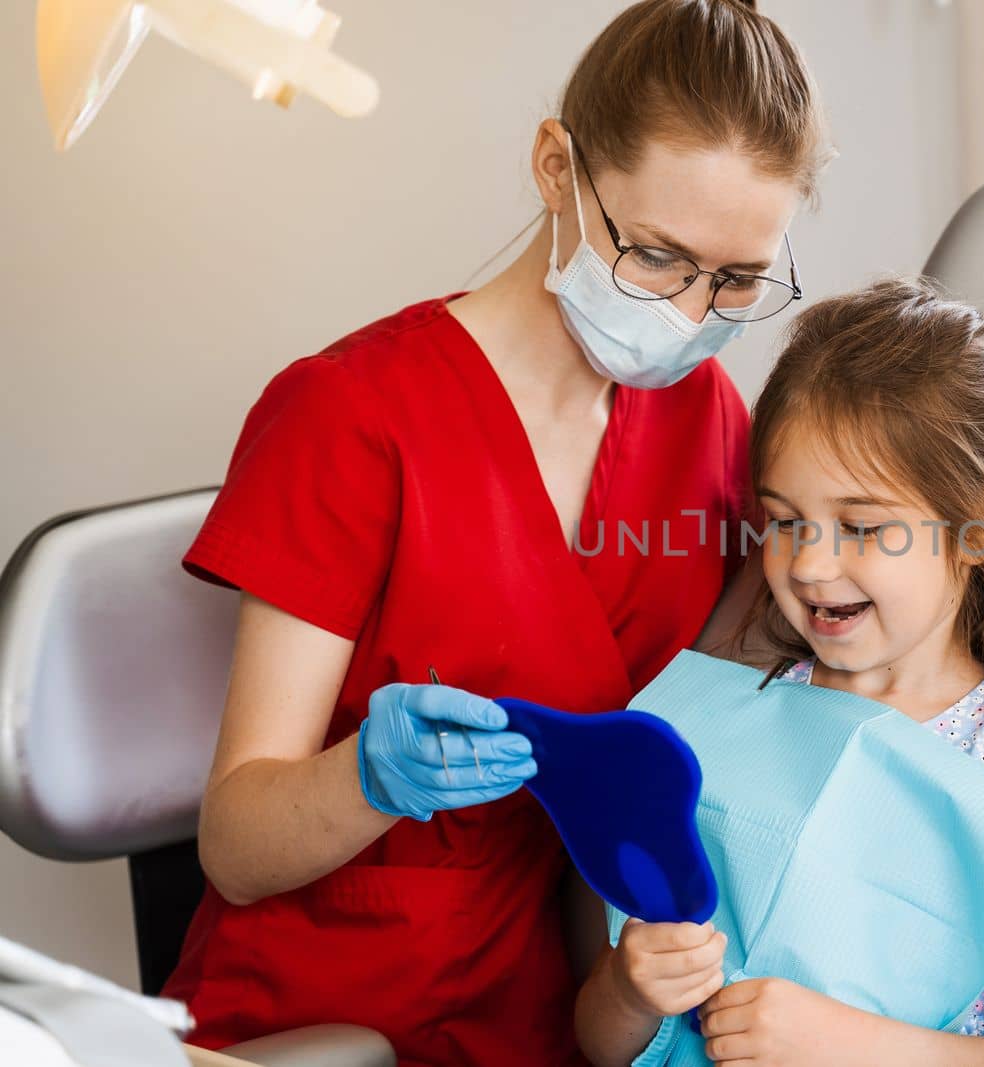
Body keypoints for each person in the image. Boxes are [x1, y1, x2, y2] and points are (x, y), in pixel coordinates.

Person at [162, 3, 831, 1063]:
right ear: (555, 168)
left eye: (737, 280)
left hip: (572, 1009)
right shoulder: (349, 417)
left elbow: (728, 712)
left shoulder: (708, 421)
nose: (690, 312)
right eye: (655, 255)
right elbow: (236, 847)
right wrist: (367, 778)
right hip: (324, 1012)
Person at [575, 278, 984, 1066]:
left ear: (981, 526)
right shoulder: (741, 710)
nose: (813, 564)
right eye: (786, 521)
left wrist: (848, 1044)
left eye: (862, 526)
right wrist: (629, 988)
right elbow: (601, 1041)